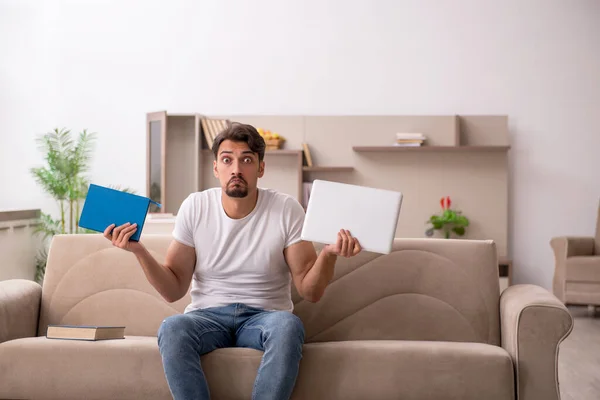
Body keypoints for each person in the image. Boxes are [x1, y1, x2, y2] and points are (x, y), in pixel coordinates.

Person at [103, 122, 362, 400]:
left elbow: (310, 292)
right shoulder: (195, 206)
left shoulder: (286, 209)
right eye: (227, 160)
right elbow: (173, 289)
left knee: (289, 326)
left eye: (246, 160)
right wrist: (139, 250)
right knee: (172, 328)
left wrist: (328, 254)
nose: (236, 169)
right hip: (207, 316)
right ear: (216, 168)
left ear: (261, 168)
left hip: (265, 317)